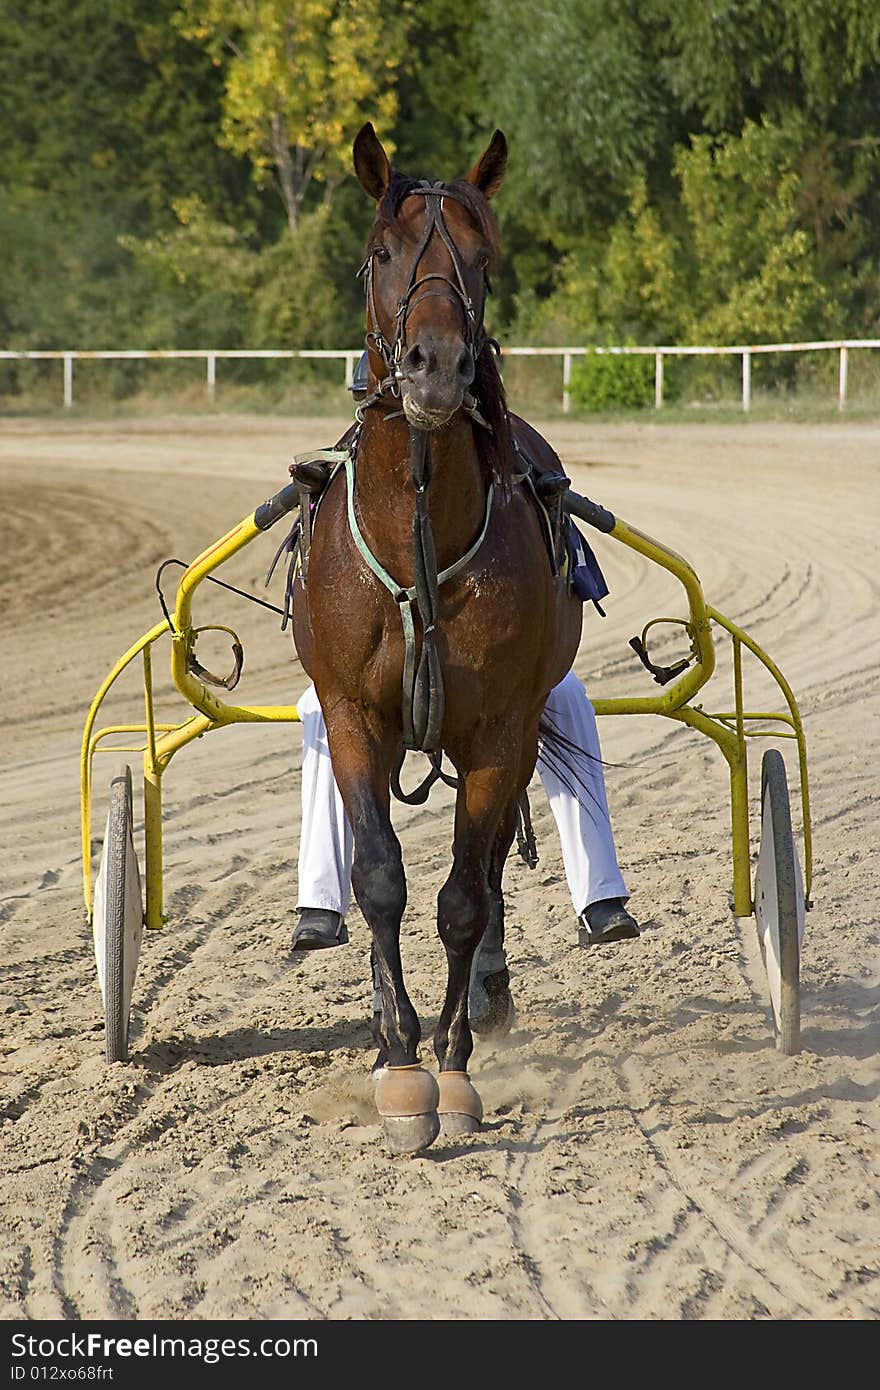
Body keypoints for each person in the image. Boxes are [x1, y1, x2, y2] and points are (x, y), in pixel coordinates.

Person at [291, 352, 638, 951]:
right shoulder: (352, 484)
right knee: (323, 711)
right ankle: (321, 901)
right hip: (382, 681)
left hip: (492, 678)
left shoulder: (507, 477)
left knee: (564, 697)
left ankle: (598, 892)